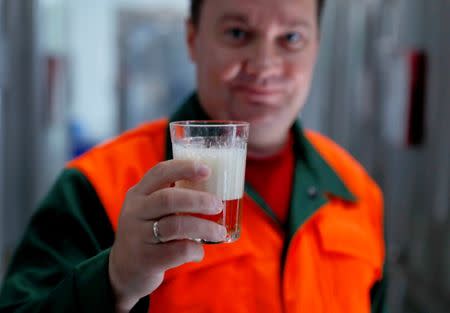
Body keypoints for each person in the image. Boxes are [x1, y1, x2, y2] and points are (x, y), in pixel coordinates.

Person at [0, 0, 386, 312]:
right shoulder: (97, 185)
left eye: (291, 38)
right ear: (192, 38)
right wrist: (113, 281)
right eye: (238, 33)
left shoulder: (356, 191)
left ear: (317, 47)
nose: (265, 65)